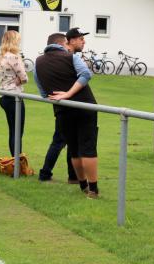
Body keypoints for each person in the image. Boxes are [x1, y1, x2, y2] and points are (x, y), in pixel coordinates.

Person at [34, 30, 99, 199]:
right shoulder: (71, 57)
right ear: (64, 43)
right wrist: (69, 93)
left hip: (62, 111)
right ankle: (93, 189)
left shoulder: (38, 63)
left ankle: (83, 185)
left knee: (75, 149)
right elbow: (86, 74)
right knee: (88, 149)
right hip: (85, 107)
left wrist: (59, 96)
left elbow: (43, 93)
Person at [39, 27, 89, 183]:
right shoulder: (69, 58)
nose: (84, 41)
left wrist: (52, 95)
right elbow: (86, 75)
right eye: (81, 39)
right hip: (69, 107)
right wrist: (66, 94)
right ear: (68, 42)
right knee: (60, 140)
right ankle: (45, 173)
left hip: (62, 107)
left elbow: (42, 89)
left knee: (69, 141)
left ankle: (73, 176)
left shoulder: (42, 61)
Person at [0, 31, 28, 156]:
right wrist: (20, 80)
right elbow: (25, 78)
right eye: (18, 40)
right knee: (18, 132)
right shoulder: (14, 57)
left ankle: (15, 160)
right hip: (14, 97)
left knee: (13, 131)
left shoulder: (2, 56)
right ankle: (17, 162)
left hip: (3, 96)